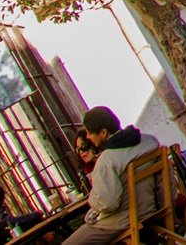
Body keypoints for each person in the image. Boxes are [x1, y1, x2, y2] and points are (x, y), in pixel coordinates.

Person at [62, 105, 159, 245]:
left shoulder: (107, 160)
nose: (88, 137)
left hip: (123, 220)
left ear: (103, 132)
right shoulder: (149, 141)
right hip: (151, 207)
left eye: (90, 133)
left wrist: (92, 200)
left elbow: (109, 203)